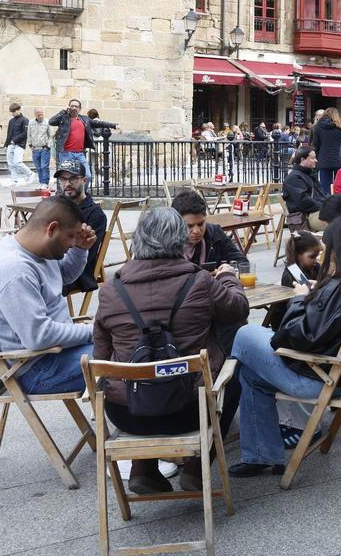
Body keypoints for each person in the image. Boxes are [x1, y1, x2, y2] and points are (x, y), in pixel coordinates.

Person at [92, 207, 248, 494]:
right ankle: (196, 466)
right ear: (180, 240)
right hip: (189, 410)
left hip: (127, 411)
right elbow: (238, 310)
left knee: (143, 382)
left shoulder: (111, 290)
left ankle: (144, 468)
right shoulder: (199, 281)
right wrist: (228, 278)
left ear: (137, 239)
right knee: (235, 375)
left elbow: (100, 356)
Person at [228, 215, 341, 476]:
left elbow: (295, 336)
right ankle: (260, 454)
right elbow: (326, 324)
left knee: (244, 334)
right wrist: (320, 294)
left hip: (321, 378)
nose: (324, 256)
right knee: (250, 373)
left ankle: (221, 418)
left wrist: (299, 299)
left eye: (327, 249)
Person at [0, 197, 98, 393]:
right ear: (51, 229)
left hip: (54, 353)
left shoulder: (38, 249)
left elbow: (65, 275)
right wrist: (94, 331)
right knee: (124, 356)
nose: (72, 242)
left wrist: (80, 249)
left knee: (127, 345)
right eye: (71, 236)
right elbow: (39, 336)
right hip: (34, 368)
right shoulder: (14, 269)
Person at [55, 160, 108, 297]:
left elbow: (85, 255)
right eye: (62, 179)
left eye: (73, 179)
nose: (67, 184)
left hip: (76, 272)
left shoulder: (95, 215)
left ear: (84, 180)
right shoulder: (56, 207)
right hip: (52, 264)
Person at [170, 190, 249, 270]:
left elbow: (243, 263)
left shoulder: (215, 233)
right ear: (177, 223)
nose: (196, 231)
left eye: (201, 224)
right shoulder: (164, 244)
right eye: (189, 226)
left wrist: (227, 270)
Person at [49, 99, 96, 184]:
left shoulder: (84, 119)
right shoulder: (64, 118)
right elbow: (51, 121)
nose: (74, 108)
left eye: (76, 106)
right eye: (72, 106)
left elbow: (98, 123)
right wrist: (63, 111)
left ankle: (81, 195)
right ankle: (66, 196)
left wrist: (114, 125)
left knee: (87, 176)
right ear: (69, 107)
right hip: (66, 154)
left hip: (80, 154)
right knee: (66, 178)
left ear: (80, 109)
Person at [281, 147, 327, 232]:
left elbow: (322, 195)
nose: (316, 160)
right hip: (306, 217)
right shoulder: (294, 178)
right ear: (303, 159)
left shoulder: (309, 174)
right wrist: (325, 206)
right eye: (312, 158)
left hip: (317, 212)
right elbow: (304, 202)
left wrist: (334, 203)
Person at [309, 107, 341, 195]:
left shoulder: (318, 126)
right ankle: (338, 204)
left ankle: (327, 205)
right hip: (339, 159)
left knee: (325, 188)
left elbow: (315, 144)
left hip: (323, 159)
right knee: (339, 187)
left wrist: (316, 158)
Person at [3, 103, 33, 184]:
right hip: (10, 144)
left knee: (17, 162)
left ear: (18, 110)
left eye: (14, 112)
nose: (12, 114)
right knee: (10, 164)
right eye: (12, 112)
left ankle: (30, 173)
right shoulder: (11, 121)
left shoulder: (25, 120)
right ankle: (14, 180)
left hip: (20, 144)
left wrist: (15, 140)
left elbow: (25, 133)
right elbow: (9, 133)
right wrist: (5, 145)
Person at [27, 108, 53, 186]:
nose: (41, 116)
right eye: (39, 115)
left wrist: (48, 146)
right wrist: (30, 145)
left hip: (44, 148)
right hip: (35, 148)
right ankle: (41, 182)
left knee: (44, 166)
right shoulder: (31, 122)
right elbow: (29, 134)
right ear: (35, 114)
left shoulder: (47, 122)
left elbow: (51, 135)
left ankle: (45, 182)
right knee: (38, 167)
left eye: (42, 114)